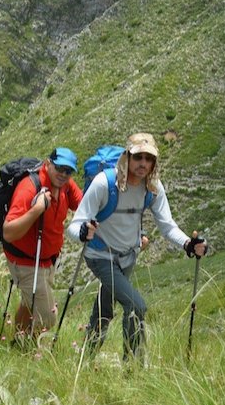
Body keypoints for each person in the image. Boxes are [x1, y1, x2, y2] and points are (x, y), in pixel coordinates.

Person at [67, 132, 207, 356]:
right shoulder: (104, 183)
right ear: (127, 157)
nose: (143, 163)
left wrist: (188, 244)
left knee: (104, 310)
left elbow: (167, 226)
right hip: (100, 256)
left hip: (128, 257)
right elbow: (74, 226)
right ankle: (133, 367)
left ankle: (86, 358)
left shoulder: (152, 188)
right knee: (136, 306)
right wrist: (83, 233)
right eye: (138, 157)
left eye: (149, 158)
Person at [2, 148, 83, 341]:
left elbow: (83, 206)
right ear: (48, 164)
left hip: (48, 260)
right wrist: (37, 209)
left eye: (68, 171)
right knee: (47, 317)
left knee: (29, 301)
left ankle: (16, 340)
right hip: (25, 262)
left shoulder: (65, 185)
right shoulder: (29, 188)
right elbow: (8, 232)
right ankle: (29, 350)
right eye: (59, 168)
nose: (63, 174)